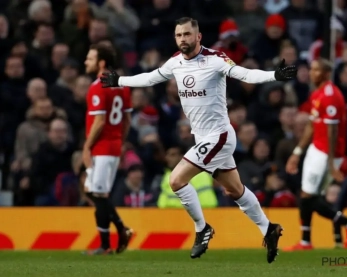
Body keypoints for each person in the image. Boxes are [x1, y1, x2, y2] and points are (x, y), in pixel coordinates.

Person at [100, 17, 297, 263]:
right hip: (204, 137)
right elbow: (151, 78)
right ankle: (269, 229)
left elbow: (243, 73)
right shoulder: (175, 62)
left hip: (219, 135)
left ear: (198, 36)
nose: (183, 39)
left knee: (176, 179)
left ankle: (202, 228)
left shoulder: (215, 59)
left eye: (187, 34)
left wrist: (273, 76)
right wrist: (119, 81)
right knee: (234, 190)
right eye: (179, 35)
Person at [285, 58, 347, 251]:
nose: (311, 73)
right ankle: (306, 241)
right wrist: (297, 152)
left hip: (327, 153)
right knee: (308, 196)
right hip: (316, 148)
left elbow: (333, 131)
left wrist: (332, 164)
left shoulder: (331, 96)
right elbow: (311, 125)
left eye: (316, 70)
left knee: (307, 197)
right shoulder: (316, 93)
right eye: (311, 69)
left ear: (326, 73)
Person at [82, 43, 133, 255]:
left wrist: (87, 146)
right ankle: (120, 230)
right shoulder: (122, 85)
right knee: (93, 191)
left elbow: (100, 121)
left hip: (102, 147)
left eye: (90, 58)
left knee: (99, 194)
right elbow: (127, 119)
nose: (86, 61)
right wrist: (120, 141)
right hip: (113, 145)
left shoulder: (97, 86)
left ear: (101, 63)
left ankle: (107, 243)